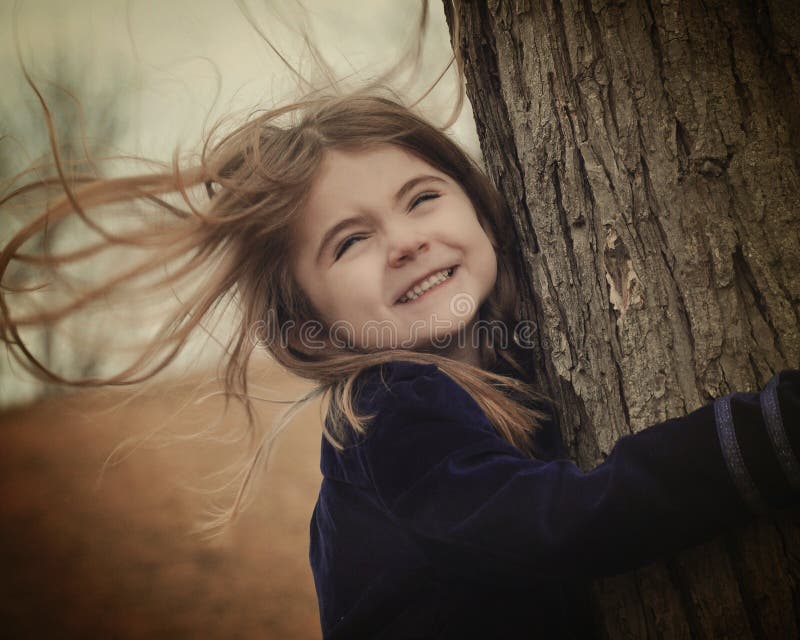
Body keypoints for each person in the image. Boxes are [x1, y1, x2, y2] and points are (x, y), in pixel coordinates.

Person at [2, 14, 799, 640]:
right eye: (350, 241)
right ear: (313, 329)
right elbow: (558, 524)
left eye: (421, 197)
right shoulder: (389, 413)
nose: (407, 239)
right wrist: (768, 434)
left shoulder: (496, 364)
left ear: (481, 207)